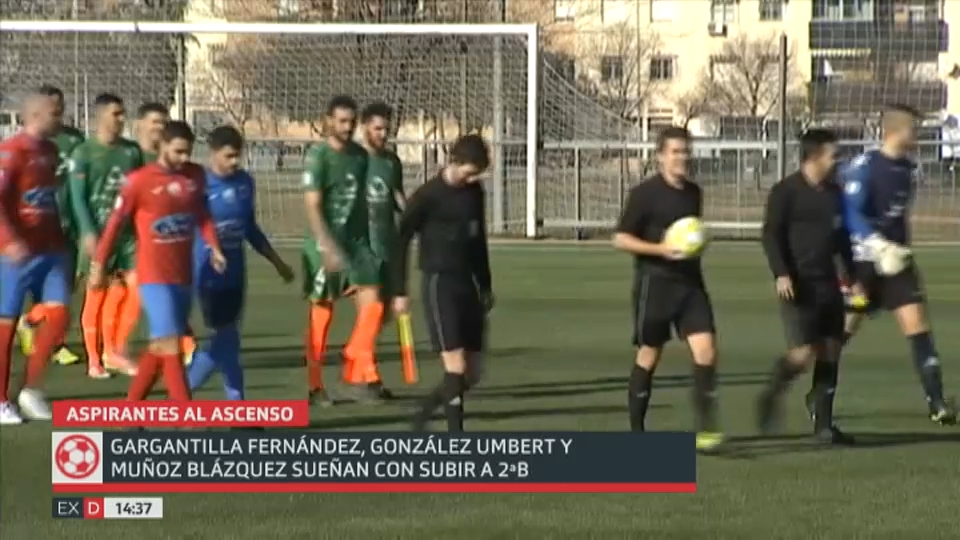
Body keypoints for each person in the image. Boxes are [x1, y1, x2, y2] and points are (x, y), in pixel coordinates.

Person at [803, 104, 956, 426]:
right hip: (864, 266)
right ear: (897, 132)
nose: (918, 135)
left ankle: (937, 402)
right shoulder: (866, 167)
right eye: (914, 128)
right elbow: (849, 209)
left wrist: (899, 249)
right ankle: (819, 394)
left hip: (897, 264)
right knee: (841, 334)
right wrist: (875, 243)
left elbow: (897, 217)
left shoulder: (907, 169)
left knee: (919, 330)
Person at [89, 121, 225, 402]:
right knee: (172, 344)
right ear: (162, 145)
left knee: (160, 345)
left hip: (183, 275)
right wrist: (99, 264)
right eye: (178, 152)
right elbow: (115, 224)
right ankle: (186, 419)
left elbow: (202, 214)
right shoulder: (139, 181)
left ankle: (131, 415)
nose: (184, 158)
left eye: (188, 152)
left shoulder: (195, 176)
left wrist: (214, 246)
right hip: (152, 277)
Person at [612, 126, 723, 453]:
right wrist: (661, 250)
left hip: (690, 285)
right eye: (675, 151)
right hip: (655, 285)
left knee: (707, 352)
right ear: (661, 155)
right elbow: (620, 238)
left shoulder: (693, 193)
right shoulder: (644, 194)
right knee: (649, 354)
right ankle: (637, 431)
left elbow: (689, 234)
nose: (682, 158)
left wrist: (696, 244)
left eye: (686, 151)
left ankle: (706, 429)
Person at [757, 129, 861, 445]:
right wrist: (781, 273)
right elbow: (771, 235)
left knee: (831, 350)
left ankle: (824, 426)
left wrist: (853, 277)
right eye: (833, 154)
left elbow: (842, 240)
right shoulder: (785, 192)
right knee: (802, 355)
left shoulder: (834, 194)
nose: (837, 160)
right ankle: (772, 393)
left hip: (827, 282)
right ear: (814, 156)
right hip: (798, 285)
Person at [392, 134, 493, 432]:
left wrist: (485, 284)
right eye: (469, 171)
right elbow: (400, 240)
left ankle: (424, 412)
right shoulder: (427, 196)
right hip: (440, 284)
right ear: (454, 162)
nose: (472, 177)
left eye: (477, 173)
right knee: (455, 365)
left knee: (471, 374)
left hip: (467, 285)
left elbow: (479, 241)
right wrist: (400, 290)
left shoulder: (475, 193)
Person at [185, 126, 293, 400]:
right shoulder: (200, 185)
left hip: (236, 274)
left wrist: (276, 261)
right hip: (208, 275)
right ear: (213, 154)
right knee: (226, 340)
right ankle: (184, 398)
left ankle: (233, 408)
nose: (235, 162)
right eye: (229, 156)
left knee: (228, 341)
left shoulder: (245, 182)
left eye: (238, 156)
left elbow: (249, 228)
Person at [301, 95, 383, 406]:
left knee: (374, 303)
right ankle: (315, 385)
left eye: (351, 122)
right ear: (328, 121)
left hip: (355, 244)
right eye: (342, 121)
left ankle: (353, 356)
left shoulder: (361, 157)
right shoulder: (317, 157)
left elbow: (361, 201)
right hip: (323, 244)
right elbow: (312, 206)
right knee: (321, 317)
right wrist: (325, 245)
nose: (347, 128)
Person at [0, 92, 71, 424]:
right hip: (16, 254)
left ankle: (29, 388)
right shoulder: (12, 152)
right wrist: (9, 240)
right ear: (36, 115)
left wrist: (62, 239)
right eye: (56, 112)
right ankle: (1, 401)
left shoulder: (51, 151)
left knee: (59, 318)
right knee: (6, 326)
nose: (61, 117)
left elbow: (48, 201)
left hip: (51, 250)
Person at [69, 93, 143, 379]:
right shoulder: (83, 153)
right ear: (100, 116)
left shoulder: (131, 152)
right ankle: (93, 360)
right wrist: (87, 232)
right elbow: (78, 199)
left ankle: (115, 350)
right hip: (98, 234)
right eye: (116, 113)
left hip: (126, 236)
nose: (122, 119)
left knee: (136, 290)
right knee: (96, 294)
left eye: (123, 113)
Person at [16, 85, 84, 367]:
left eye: (59, 109)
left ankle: (32, 323)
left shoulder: (74, 140)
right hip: (36, 226)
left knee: (65, 288)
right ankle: (54, 343)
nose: (56, 114)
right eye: (51, 109)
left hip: (67, 222)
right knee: (41, 287)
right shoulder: (25, 146)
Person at [355, 101, 406, 398]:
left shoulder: (391, 162)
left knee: (381, 314)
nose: (383, 134)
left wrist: (414, 216)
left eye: (387, 129)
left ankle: (361, 367)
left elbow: (397, 195)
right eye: (378, 128)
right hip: (362, 248)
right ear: (365, 128)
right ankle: (367, 377)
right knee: (370, 310)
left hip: (387, 244)